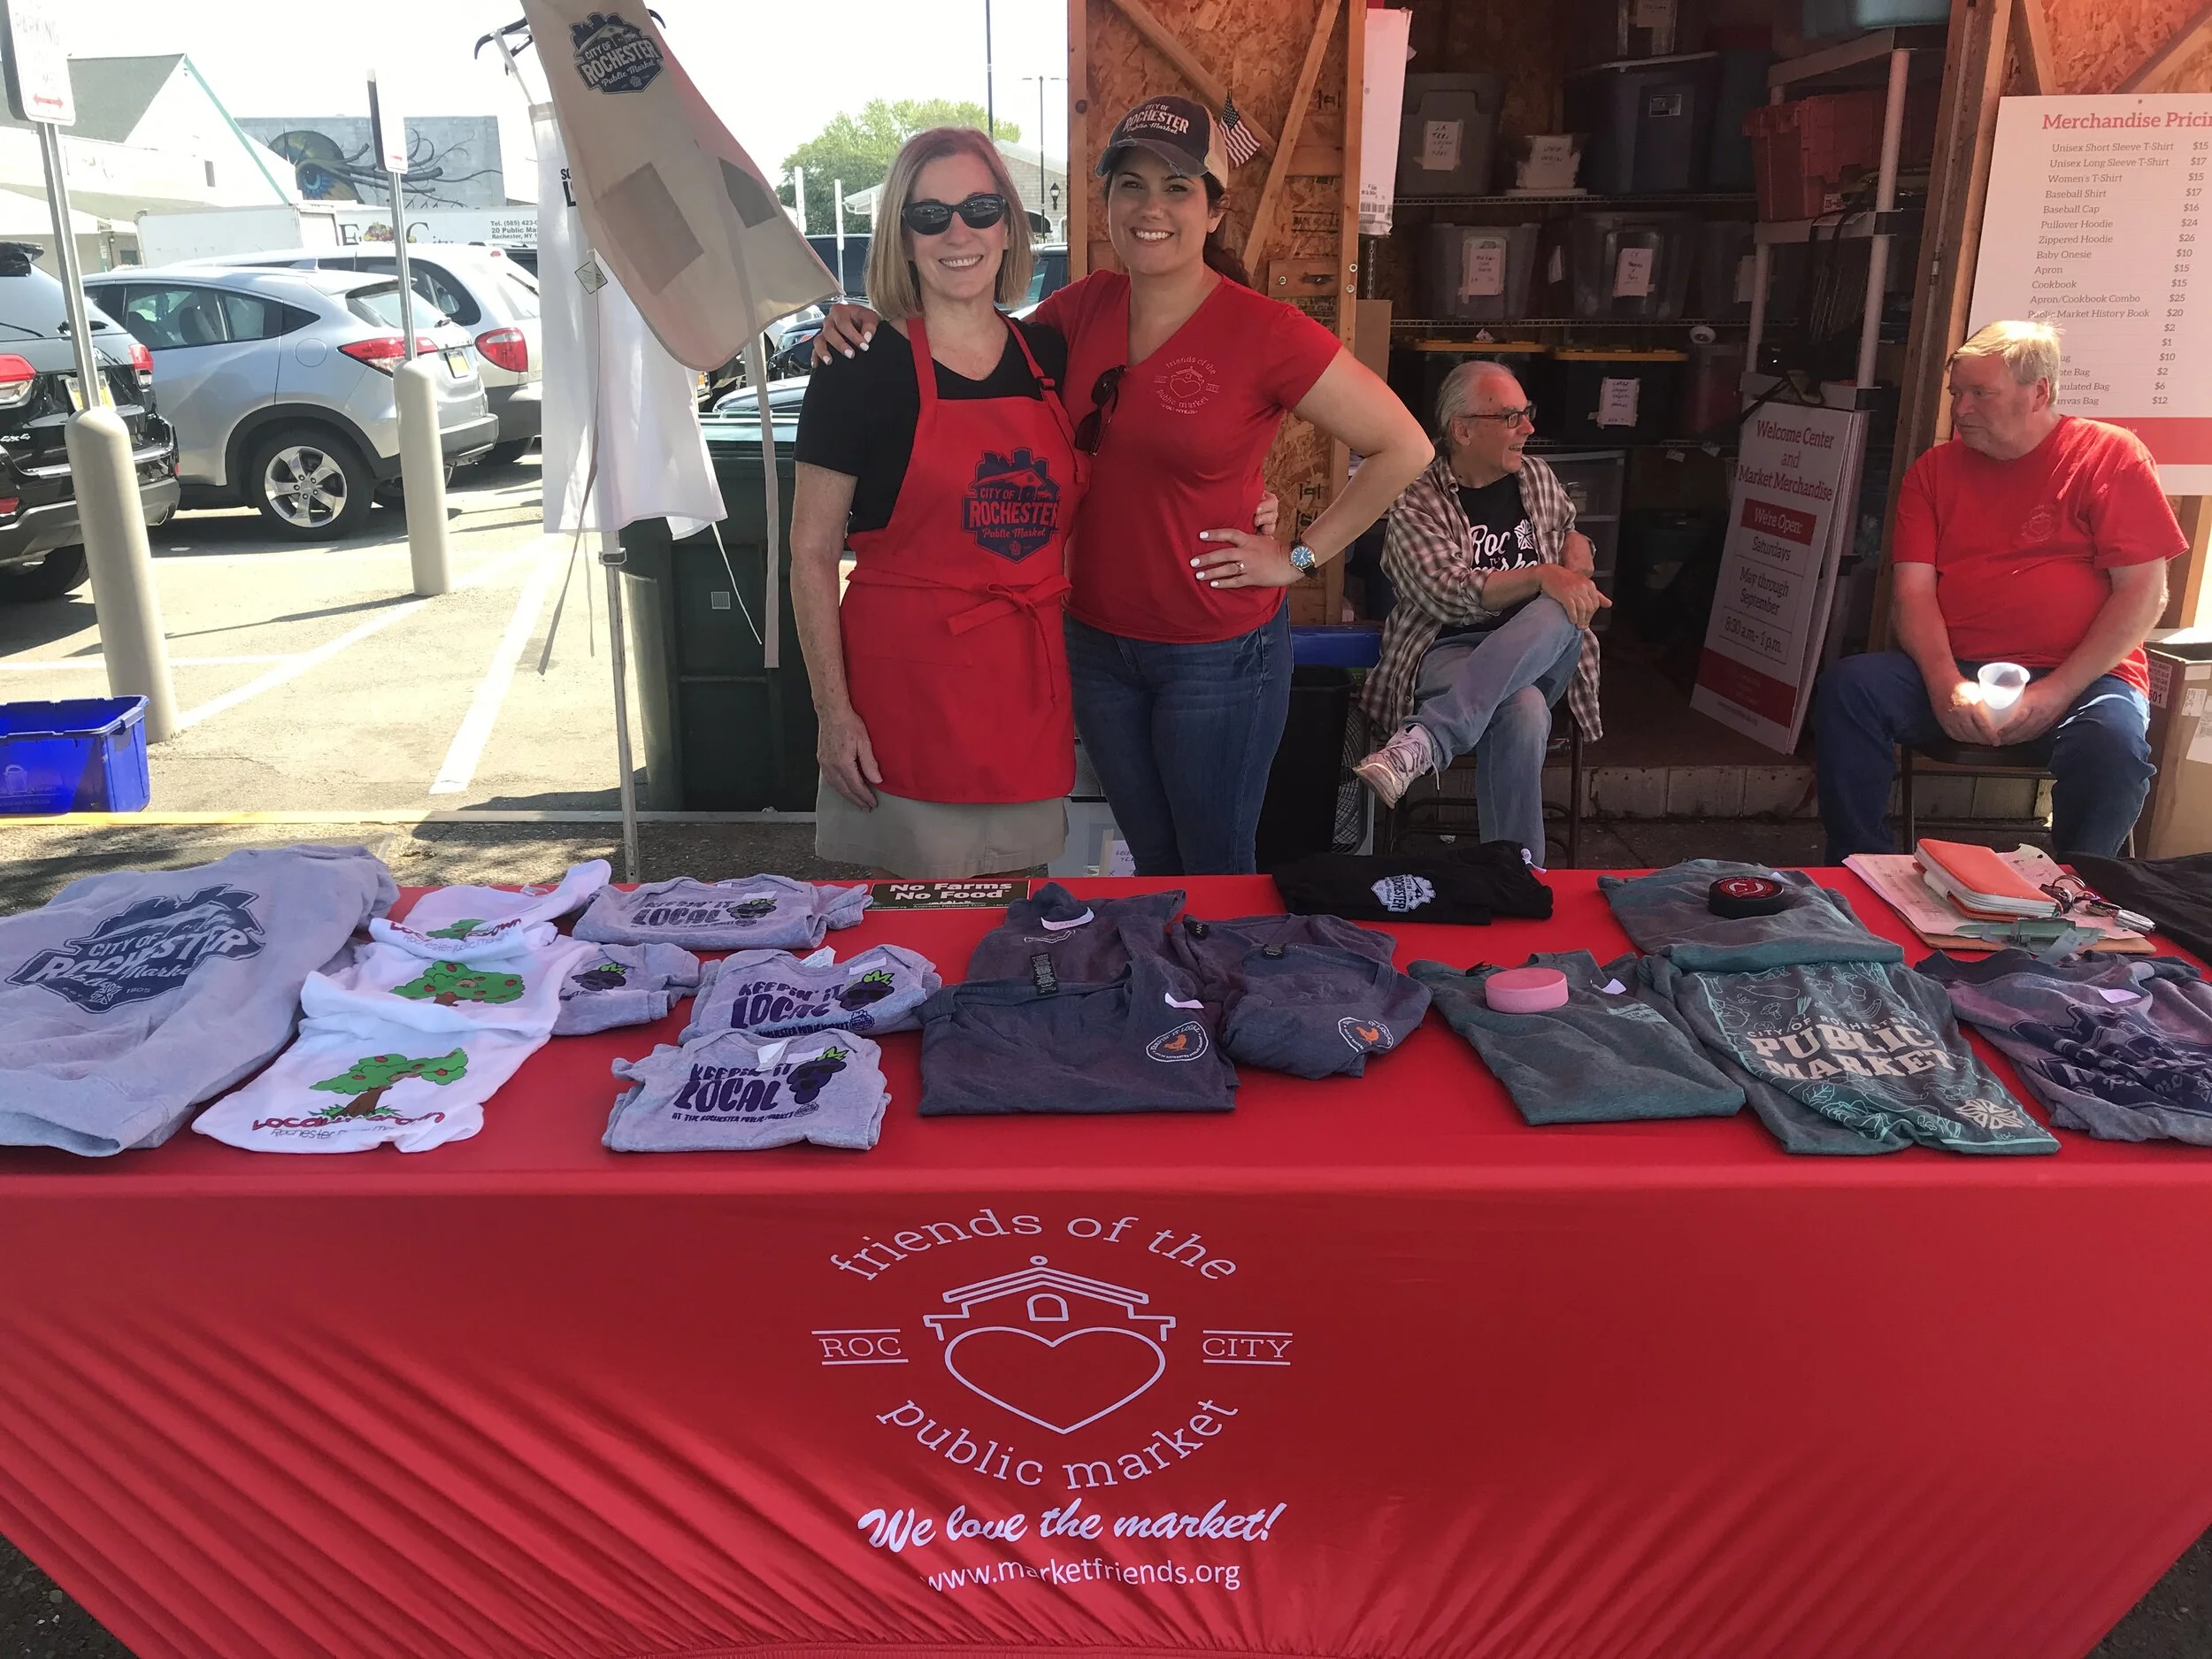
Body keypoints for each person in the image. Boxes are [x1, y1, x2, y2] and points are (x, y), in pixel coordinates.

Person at [820, 96, 1430, 876]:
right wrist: (862, 324)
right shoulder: (1078, 312)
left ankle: (1208, 999)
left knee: (1211, 872)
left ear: (1214, 210)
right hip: (1097, 646)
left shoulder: (1264, 330)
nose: (1152, 207)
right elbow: (965, 340)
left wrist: (1301, 557)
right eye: (1131, 185)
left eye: (1179, 187)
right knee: (1152, 861)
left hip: (1216, 656)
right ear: (1105, 203)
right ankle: (1164, 998)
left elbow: (1403, 445)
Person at [789, 127, 1082, 878]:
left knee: (1018, 943)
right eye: (932, 215)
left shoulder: (1050, 357)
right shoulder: (856, 364)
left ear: (1010, 225)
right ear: (904, 236)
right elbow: (811, 551)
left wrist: (1260, 504)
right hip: (902, 709)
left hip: (1023, 702)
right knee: (898, 956)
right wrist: (832, 715)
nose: (960, 232)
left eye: (981, 208)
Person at [1814, 319, 2186, 861]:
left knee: (2114, 748)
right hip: (1959, 668)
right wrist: (1945, 683)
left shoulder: (2109, 455)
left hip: (2083, 675)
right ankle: (1859, 866)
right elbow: (1911, 593)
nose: (1960, 409)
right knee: (1851, 689)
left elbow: (2144, 593)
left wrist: (2055, 691)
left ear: (2039, 392)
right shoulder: (1935, 470)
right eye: (1956, 393)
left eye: (1980, 393)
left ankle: (2079, 887)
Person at [1352, 359, 1605, 863]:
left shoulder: (1536, 476)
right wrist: (1541, 576)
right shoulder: (1417, 501)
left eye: (1526, 413)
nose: (1528, 428)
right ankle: (1516, 871)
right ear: (1462, 430)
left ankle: (1426, 740)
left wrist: (1579, 553)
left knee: (1558, 611)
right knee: (1524, 709)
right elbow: (1447, 591)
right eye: (1511, 416)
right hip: (1448, 650)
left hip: (1545, 651)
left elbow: (1571, 533)